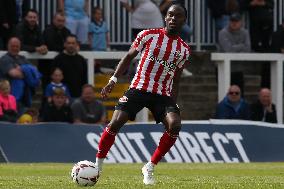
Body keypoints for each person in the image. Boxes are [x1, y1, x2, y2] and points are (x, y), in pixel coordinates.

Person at [94, 4, 190, 185]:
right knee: (115, 122)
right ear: (165, 17)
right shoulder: (148, 35)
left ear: (184, 20)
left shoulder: (183, 50)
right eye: (169, 15)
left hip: (162, 94)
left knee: (175, 124)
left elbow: (176, 80)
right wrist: (113, 80)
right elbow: (128, 57)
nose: (172, 19)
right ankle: (97, 166)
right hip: (138, 88)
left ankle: (150, 166)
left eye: (177, 16)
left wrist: (173, 104)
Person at [218, 12, 251, 94]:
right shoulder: (223, 33)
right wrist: (241, 46)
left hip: (238, 68)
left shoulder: (245, 32)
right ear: (229, 22)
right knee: (225, 93)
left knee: (240, 93)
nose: (234, 23)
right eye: (232, 21)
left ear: (241, 22)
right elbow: (228, 50)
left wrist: (234, 47)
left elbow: (248, 49)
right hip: (223, 68)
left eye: (236, 21)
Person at [40, 11, 71, 90]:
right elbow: (51, 45)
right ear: (54, 20)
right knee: (47, 90)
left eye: (63, 21)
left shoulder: (67, 31)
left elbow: (71, 44)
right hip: (47, 67)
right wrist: (64, 48)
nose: (61, 23)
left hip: (63, 67)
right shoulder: (48, 31)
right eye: (59, 20)